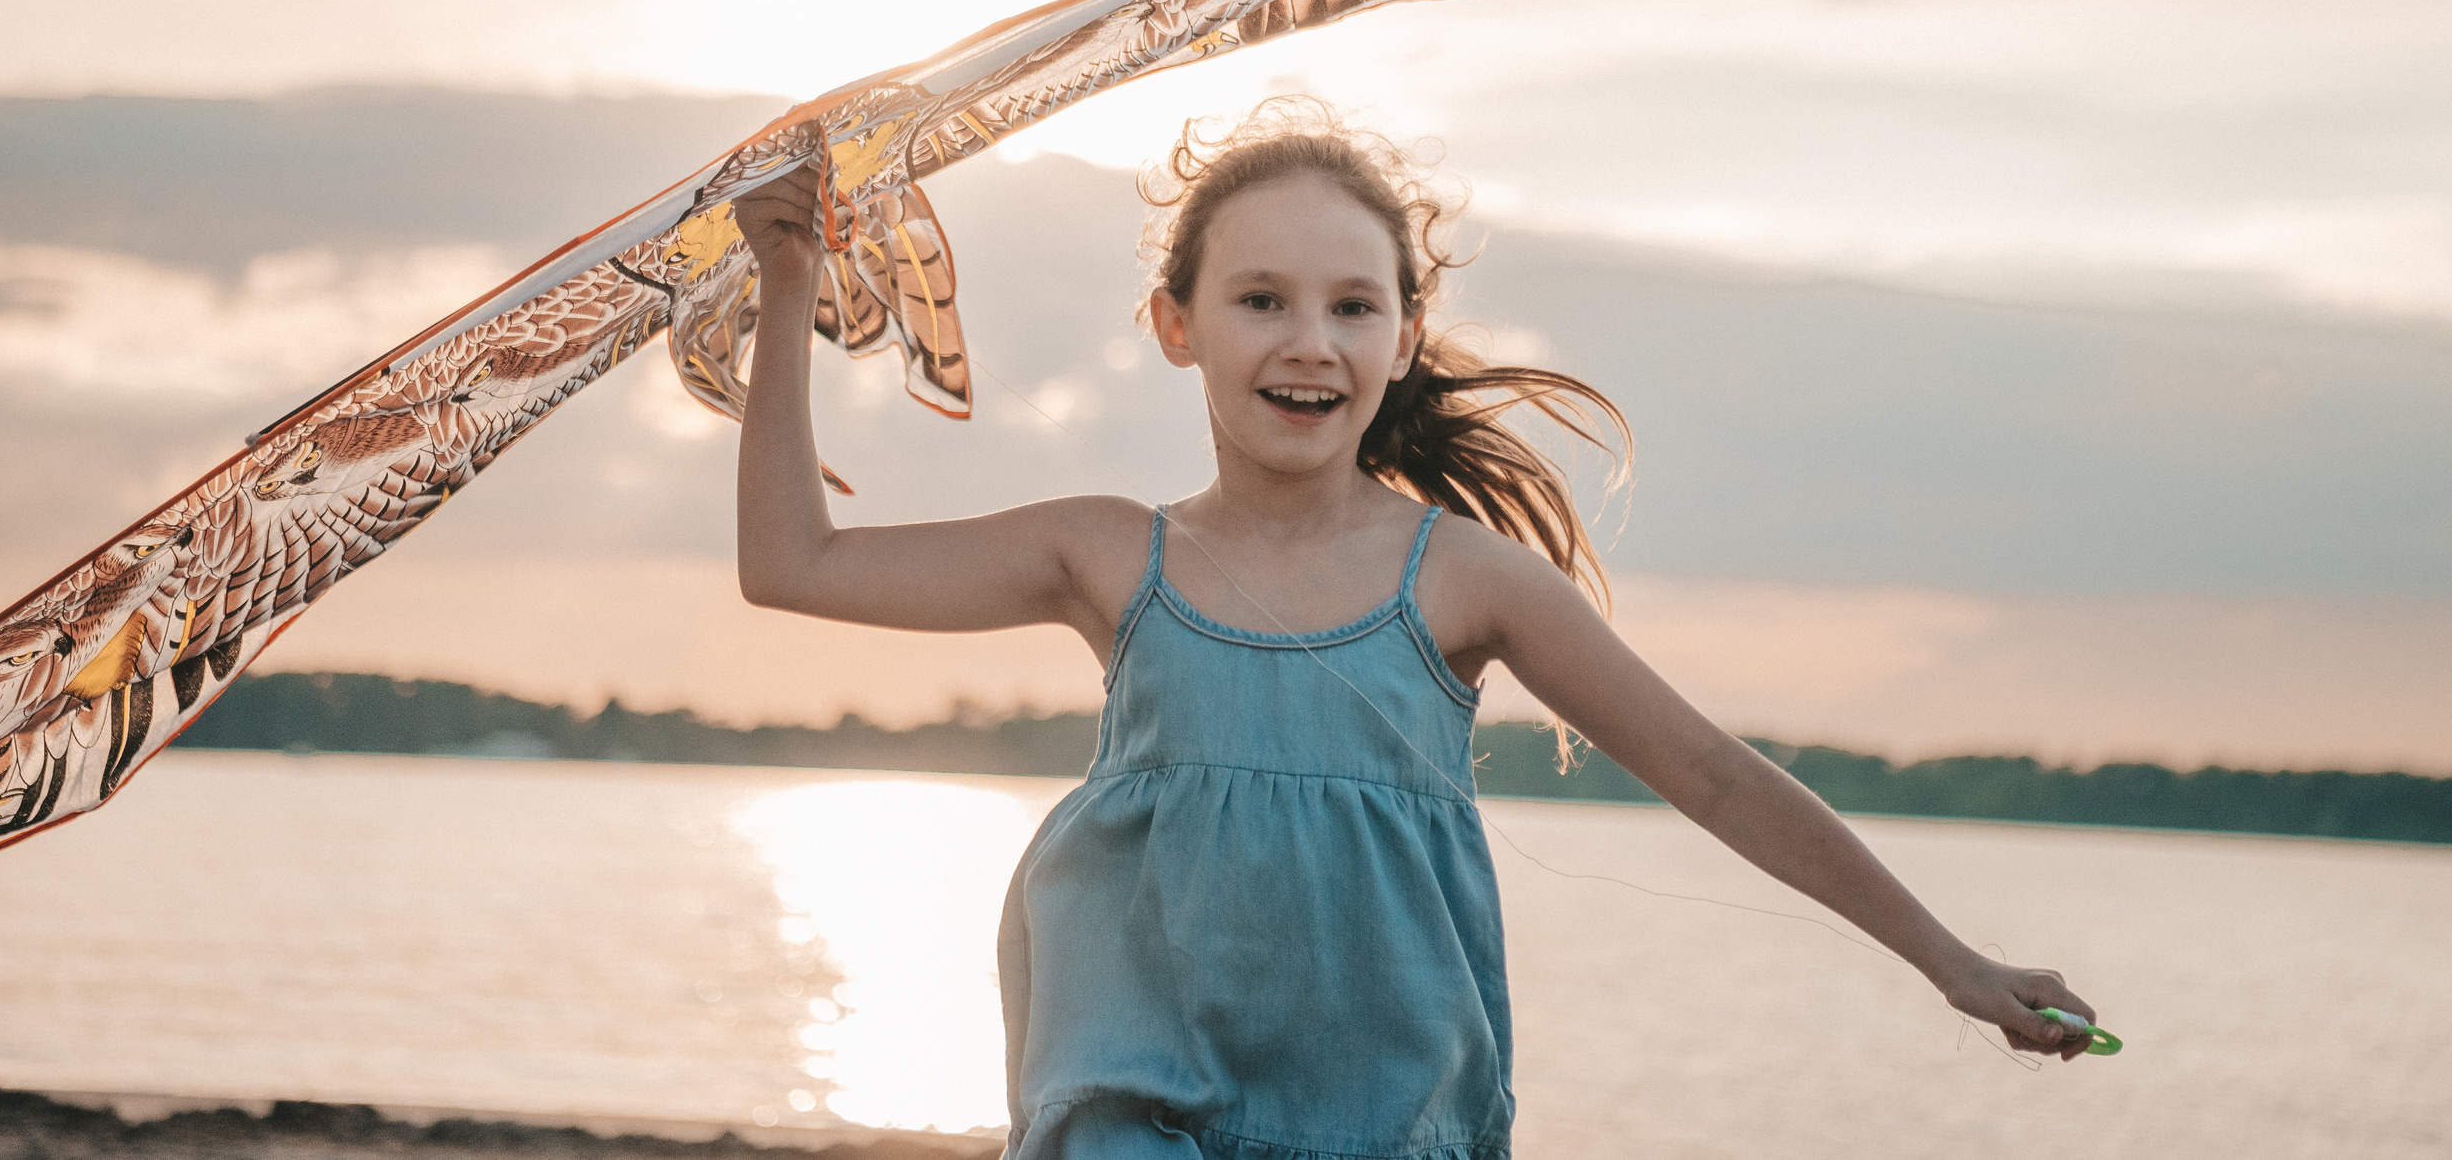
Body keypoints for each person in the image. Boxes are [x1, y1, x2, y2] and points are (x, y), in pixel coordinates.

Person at [733, 98, 2098, 1160]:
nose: (1308, 341)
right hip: (1134, 1094)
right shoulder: (1106, 553)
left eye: (1351, 305)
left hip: (1381, 1107)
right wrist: (790, 277)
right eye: (1259, 299)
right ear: (1175, 325)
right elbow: (792, 563)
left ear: (1403, 332)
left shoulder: (1464, 580)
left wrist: (1955, 962)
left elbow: (1716, 774)